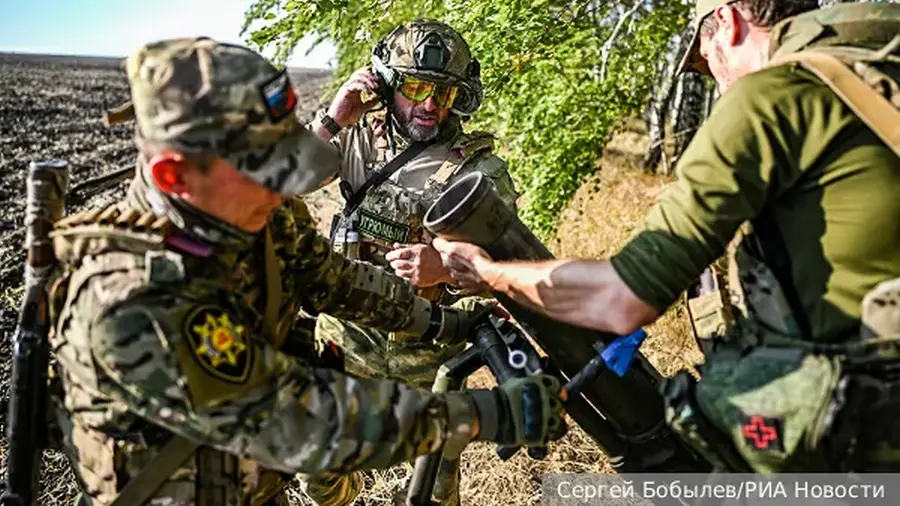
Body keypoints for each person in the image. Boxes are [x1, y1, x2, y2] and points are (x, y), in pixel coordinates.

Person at [45, 37, 567, 506]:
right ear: (175, 176)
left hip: (254, 481)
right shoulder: (134, 298)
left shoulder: (253, 212)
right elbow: (298, 419)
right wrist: (483, 415)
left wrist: (445, 325)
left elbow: (333, 279)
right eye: (264, 172)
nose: (282, 191)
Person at [434, 0, 900, 473]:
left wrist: (488, 271)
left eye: (702, 57)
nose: (715, 79)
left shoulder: (774, 94)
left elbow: (622, 298)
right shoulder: (877, 62)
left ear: (729, 21)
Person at [305, 19, 520, 506]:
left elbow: (510, 269)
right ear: (387, 84)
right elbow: (281, 181)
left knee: (434, 496)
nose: (429, 104)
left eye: (443, 92)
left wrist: (445, 268)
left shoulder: (477, 169)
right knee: (319, 478)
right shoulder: (358, 138)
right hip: (348, 340)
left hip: (429, 360)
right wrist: (335, 117)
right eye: (416, 86)